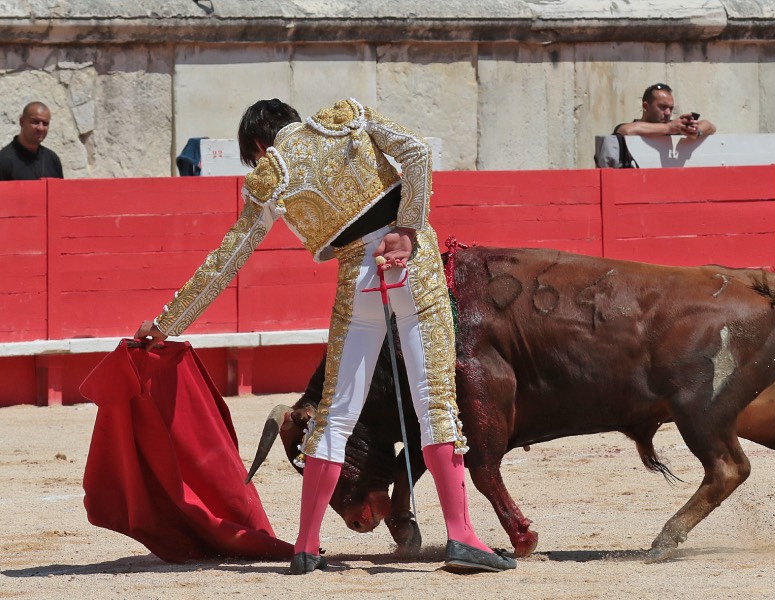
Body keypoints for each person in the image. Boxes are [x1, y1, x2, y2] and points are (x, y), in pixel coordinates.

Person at [134, 98, 516, 575]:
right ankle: (462, 537)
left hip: (356, 274)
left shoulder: (271, 176)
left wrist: (166, 323)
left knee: (335, 414)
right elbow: (416, 150)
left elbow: (225, 260)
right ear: (292, 121)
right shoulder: (346, 118)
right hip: (409, 264)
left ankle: (307, 545)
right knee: (435, 401)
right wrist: (406, 226)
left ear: (258, 143)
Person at [613, 83, 716, 140]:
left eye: (671, 108)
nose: (668, 113)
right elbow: (626, 131)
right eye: (662, 107)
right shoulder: (672, 128)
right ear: (645, 106)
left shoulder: (675, 128)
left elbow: (710, 126)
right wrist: (669, 128)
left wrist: (696, 131)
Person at [0, 101, 64, 180]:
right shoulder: (4, 160)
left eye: (45, 123)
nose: (40, 128)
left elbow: (59, 191)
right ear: (22, 122)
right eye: (35, 122)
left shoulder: (52, 159)